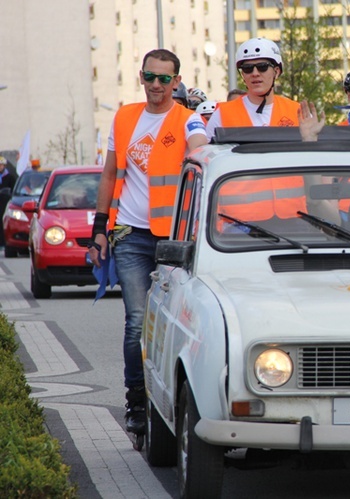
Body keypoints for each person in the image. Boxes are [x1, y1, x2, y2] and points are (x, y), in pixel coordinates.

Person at [87, 48, 207, 439]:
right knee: (137, 322)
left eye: (164, 79)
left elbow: (200, 147)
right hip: (131, 236)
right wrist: (100, 228)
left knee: (174, 323)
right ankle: (136, 402)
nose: (156, 85)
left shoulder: (187, 119)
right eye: (150, 77)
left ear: (176, 81)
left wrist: (203, 144)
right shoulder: (123, 118)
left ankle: (168, 399)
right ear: (141, 77)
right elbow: (108, 175)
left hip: (173, 239)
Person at [206, 37, 300, 140]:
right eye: (248, 69)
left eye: (262, 67)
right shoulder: (221, 115)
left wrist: (310, 138)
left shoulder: (298, 112)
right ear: (243, 74)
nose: (255, 73)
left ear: (276, 72)